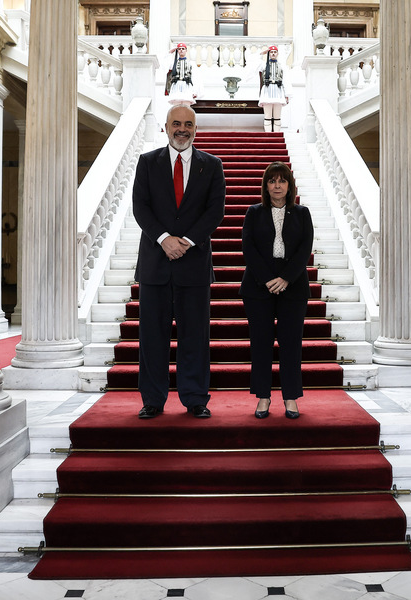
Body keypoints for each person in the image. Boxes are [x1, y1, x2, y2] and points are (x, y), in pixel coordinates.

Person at [132, 105, 226, 419]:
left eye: (188, 124)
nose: (181, 129)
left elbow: (214, 213)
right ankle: (153, 401)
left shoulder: (211, 165)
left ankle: (196, 398)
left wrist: (185, 242)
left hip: (194, 264)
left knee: (195, 337)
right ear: (166, 126)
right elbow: (140, 208)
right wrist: (164, 239)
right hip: (155, 265)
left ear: (195, 129)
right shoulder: (147, 163)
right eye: (176, 123)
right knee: (152, 337)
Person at [240, 162, 313, 419]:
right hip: (258, 287)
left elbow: (305, 249)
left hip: (293, 287)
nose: (278, 185)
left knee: (291, 344)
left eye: (282, 181)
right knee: (260, 344)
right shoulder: (254, 212)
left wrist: (285, 278)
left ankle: (291, 397)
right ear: (266, 186)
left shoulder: (302, 213)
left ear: (290, 186)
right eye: (272, 181)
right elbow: (248, 247)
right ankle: (263, 397)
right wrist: (269, 279)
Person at [257, 45, 289, 132]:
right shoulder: (264, 64)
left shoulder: (281, 65)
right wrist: (262, 54)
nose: (273, 54)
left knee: (277, 116)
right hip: (267, 90)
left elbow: (286, 80)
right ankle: (268, 136)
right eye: (271, 52)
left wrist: (287, 94)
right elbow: (253, 64)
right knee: (267, 116)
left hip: (278, 90)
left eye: (275, 52)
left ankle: (276, 136)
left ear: (277, 54)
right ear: (269, 54)